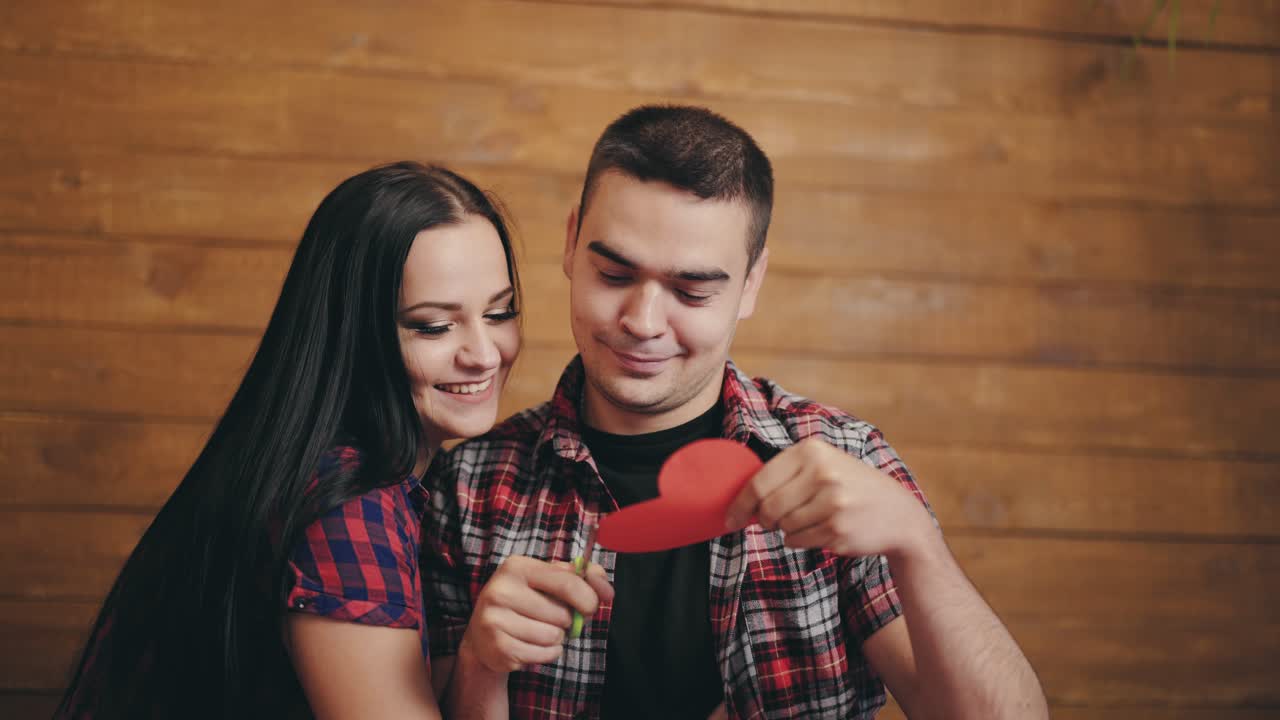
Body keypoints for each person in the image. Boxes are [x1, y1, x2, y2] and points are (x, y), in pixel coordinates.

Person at [424, 106, 1050, 719]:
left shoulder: (846, 460)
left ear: (751, 283)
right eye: (613, 274)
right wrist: (481, 662)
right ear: (570, 243)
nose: (643, 322)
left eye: (692, 291)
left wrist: (918, 544)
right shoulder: (467, 487)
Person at [56, 162, 523, 719]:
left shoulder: (308, 461)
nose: (484, 354)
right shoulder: (351, 507)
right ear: (353, 331)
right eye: (433, 326)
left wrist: (479, 661)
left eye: (500, 312)